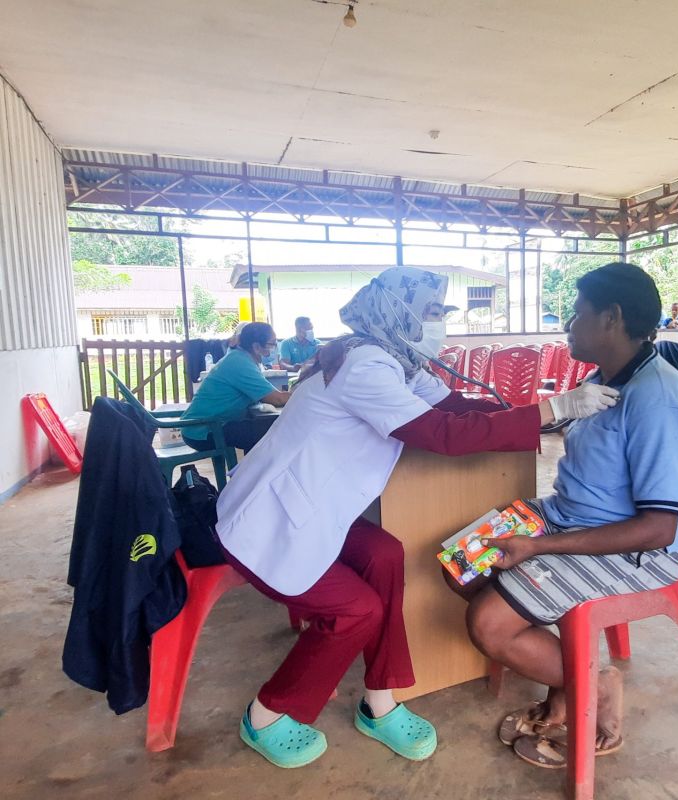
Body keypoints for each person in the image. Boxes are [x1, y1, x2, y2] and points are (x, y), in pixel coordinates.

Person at [214, 266, 619, 769]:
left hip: (317, 511)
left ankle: (379, 701)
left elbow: (456, 407)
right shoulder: (365, 365)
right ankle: (267, 713)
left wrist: (542, 409)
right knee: (356, 611)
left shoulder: (396, 360)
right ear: (396, 312)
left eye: (440, 313)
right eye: (430, 313)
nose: (439, 324)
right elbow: (444, 435)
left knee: (385, 554)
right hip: (270, 522)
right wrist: (552, 406)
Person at [457, 263, 678, 770]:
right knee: (463, 561)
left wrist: (538, 546)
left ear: (612, 318)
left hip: (641, 549)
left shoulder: (656, 400)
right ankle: (571, 678)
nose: (569, 325)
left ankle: (596, 686)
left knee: (488, 624)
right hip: (573, 517)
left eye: (578, 313)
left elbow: (658, 526)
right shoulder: (607, 376)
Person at [180, 321, 290, 453]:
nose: (274, 349)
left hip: (208, 425)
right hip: (203, 430)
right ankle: (254, 472)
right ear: (256, 347)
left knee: (260, 429)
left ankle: (251, 472)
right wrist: (302, 392)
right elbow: (276, 399)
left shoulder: (240, 358)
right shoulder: (240, 363)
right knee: (268, 432)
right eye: (271, 344)